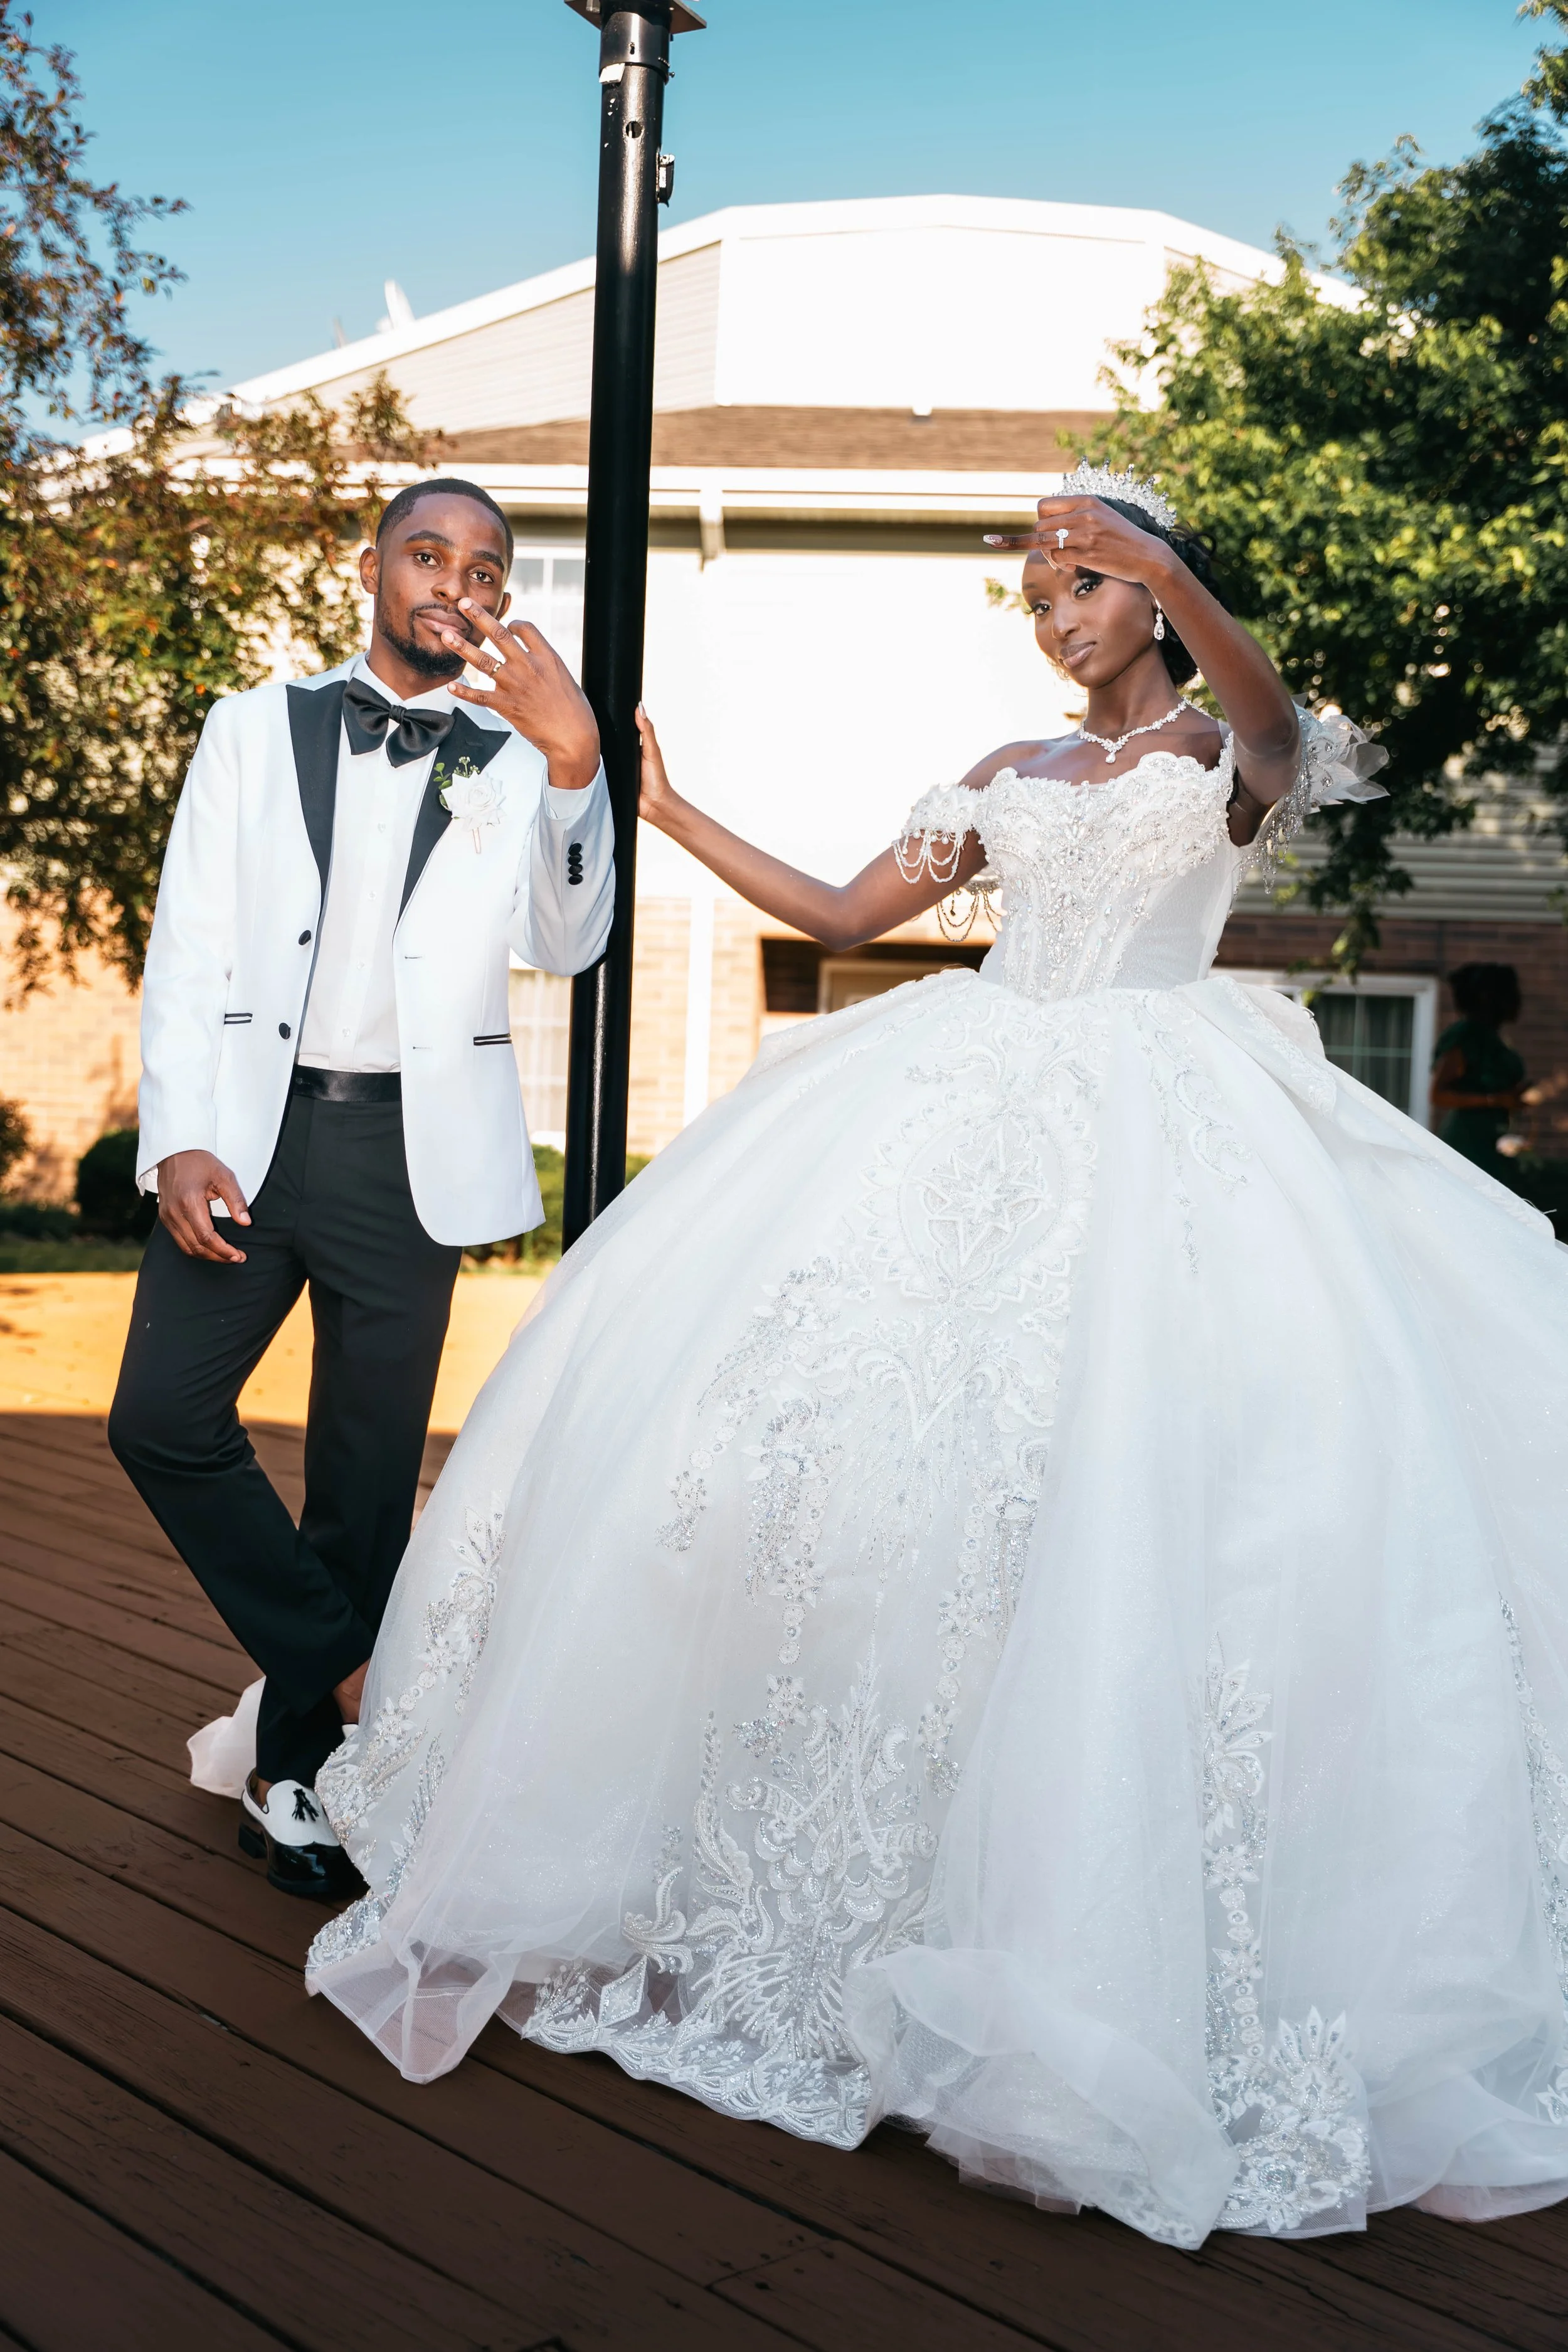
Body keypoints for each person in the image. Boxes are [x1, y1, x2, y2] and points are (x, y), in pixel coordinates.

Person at [304, 463, 1568, 2250]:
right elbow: (834, 914)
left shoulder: (1225, 750)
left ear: (1152, 593)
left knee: (1130, 1485)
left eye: (1089, 584)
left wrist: (1161, 556)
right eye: (1042, 591)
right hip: (958, 1106)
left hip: (1166, 1135)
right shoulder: (1001, 777)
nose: (1060, 616)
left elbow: (1271, 713)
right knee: (880, 1477)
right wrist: (670, 810)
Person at [109, 479, 613, 1899]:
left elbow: (573, 946)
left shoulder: (519, 767)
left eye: (486, 565)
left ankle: (297, 1778)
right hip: (253, 1138)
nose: (455, 579)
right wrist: (180, 1135)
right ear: (374, 567)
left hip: (414, 1161)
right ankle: (346, 1670)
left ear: (504, 598)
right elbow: (187, 949)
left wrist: (575, 764)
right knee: (160, 1417)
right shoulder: (252, 730)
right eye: (428, 551)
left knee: (364, 1487)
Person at [1431, 962, 1527, 1179]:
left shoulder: (1494, 1038)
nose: (1519, 1000)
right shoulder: (1465, 1038)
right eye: (1511, 992)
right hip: (1468, 1144)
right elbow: (1438, 1095)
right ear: (1488, 998)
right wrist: (1495, 1100)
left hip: (1494, 1141)